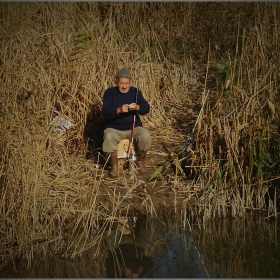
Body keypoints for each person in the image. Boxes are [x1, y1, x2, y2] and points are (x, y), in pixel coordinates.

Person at [102, 67, 151, 178]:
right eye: (121, 83)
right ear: (116, 82)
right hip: (114, 128)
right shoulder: (109, 93)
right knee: (109, 136)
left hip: (133, 127)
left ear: (130, 82)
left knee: (145, 135)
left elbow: (146, 108)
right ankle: (114, 165)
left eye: (127, 83)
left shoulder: (136, 92)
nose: (124, 86)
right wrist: (118, 110)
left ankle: (140, 160)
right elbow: (105, 112)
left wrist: (138, 107)